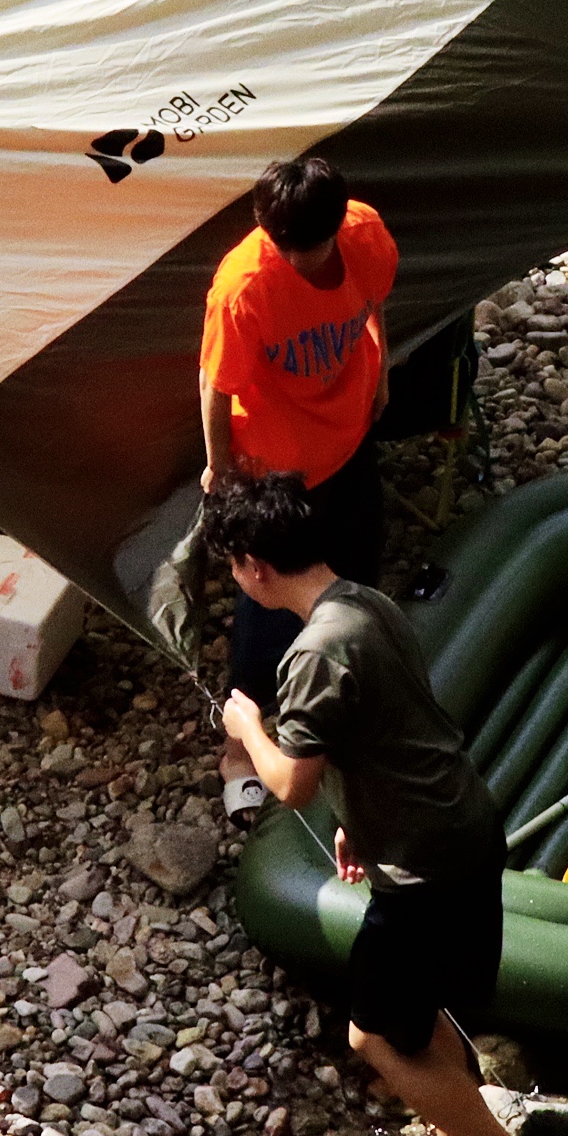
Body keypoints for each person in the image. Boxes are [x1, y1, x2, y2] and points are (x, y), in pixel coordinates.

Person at [207, 474, 564, 1136]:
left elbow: (291, 786)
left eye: (231, 566)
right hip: (451, 829)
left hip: (427, 867)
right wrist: (361, 823)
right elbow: (388, 731)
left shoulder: (311, 654)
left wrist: (248, 726)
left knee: (370, 1037)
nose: (235, 579)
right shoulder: (366, 603)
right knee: (419, 1014)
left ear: (253, 565)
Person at [198, 156, 398, 822]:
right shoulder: (244, 287)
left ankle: (344, 701)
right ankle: (239, 749)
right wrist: (220, 470)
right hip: (277, 465)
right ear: (263, 228)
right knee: (267, 601)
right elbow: (216, 388)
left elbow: (372, 300)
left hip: (346, 434)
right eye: (292, 253)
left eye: (314, 250)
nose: (305, 264)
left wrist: (381, 366)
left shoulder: (364, 233)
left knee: (358, 569)